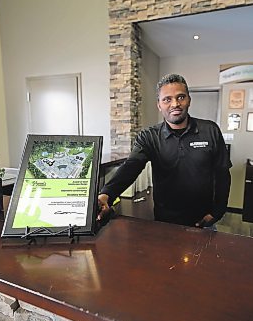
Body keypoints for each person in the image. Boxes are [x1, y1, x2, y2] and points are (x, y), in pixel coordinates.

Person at [98, 74, 232, 228]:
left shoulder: (210, 130)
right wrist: (106, 195)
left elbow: (223, 174)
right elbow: (131, 167)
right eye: (167, 99)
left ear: (189, 100)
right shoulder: (149, 136)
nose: (175, 104)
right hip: (165, 221)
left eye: (181, 97)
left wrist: (218, 212)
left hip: (203, 220)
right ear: (159, 105)